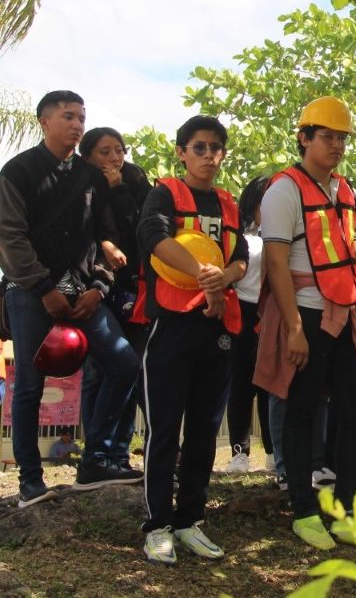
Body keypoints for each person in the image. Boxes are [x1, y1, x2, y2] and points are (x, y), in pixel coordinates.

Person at [254, 96, 356, 550]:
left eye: (341, 138)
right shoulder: (284, 190)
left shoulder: (346, 191)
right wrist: (293, 327)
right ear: (304, 138)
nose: (335, 145)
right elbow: (275, 263)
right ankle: (304, 512)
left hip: (348, 313)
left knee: (355, 410)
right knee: (301, 413)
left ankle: (348, 511)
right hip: (307, 316)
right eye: (327, 136)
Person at [0, 90, 142, 508]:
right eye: (68, 116)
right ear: (44, 121)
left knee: (124, 363)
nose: (77, 124)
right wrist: (43, 289)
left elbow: (106, 235)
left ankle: (94, 461)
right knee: (29, 383)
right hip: (30, 292)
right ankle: (30, 481)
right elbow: (10, 237)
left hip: (84, 294)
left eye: (82, 117)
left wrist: (98, 288)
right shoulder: (18, 171)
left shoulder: (90, 176)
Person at [134, 114, 248, 564]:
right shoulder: (164, 193)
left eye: (216, 148)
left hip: (216, 326)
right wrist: (205, 277)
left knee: (204, 428)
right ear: (182, 152)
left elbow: (241, 257)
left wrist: (224, 280)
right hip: (171, 325)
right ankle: (157, 524)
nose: (208, 155)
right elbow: (154, 239)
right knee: (165, 428)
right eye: (199, 147)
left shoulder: (229, 204)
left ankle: (190, 520)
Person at [78, 126, 153, 479]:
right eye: (104, 152)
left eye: (118, 150)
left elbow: (143, 227)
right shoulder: (79, 182)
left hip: (134, 286)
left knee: (130, 369)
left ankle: (118, 456)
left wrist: (119, 189)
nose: (113, 158)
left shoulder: (135, 179)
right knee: (98, 372)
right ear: (88, 155)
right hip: (95, 285)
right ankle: (96, 456)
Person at [223, 176, 274, 474]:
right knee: (241, 385)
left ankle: (272, 450)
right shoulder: (239, 234)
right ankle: (239, 453)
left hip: (272, 311)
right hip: (242, 310)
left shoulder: (285, 231)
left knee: (270, 384)